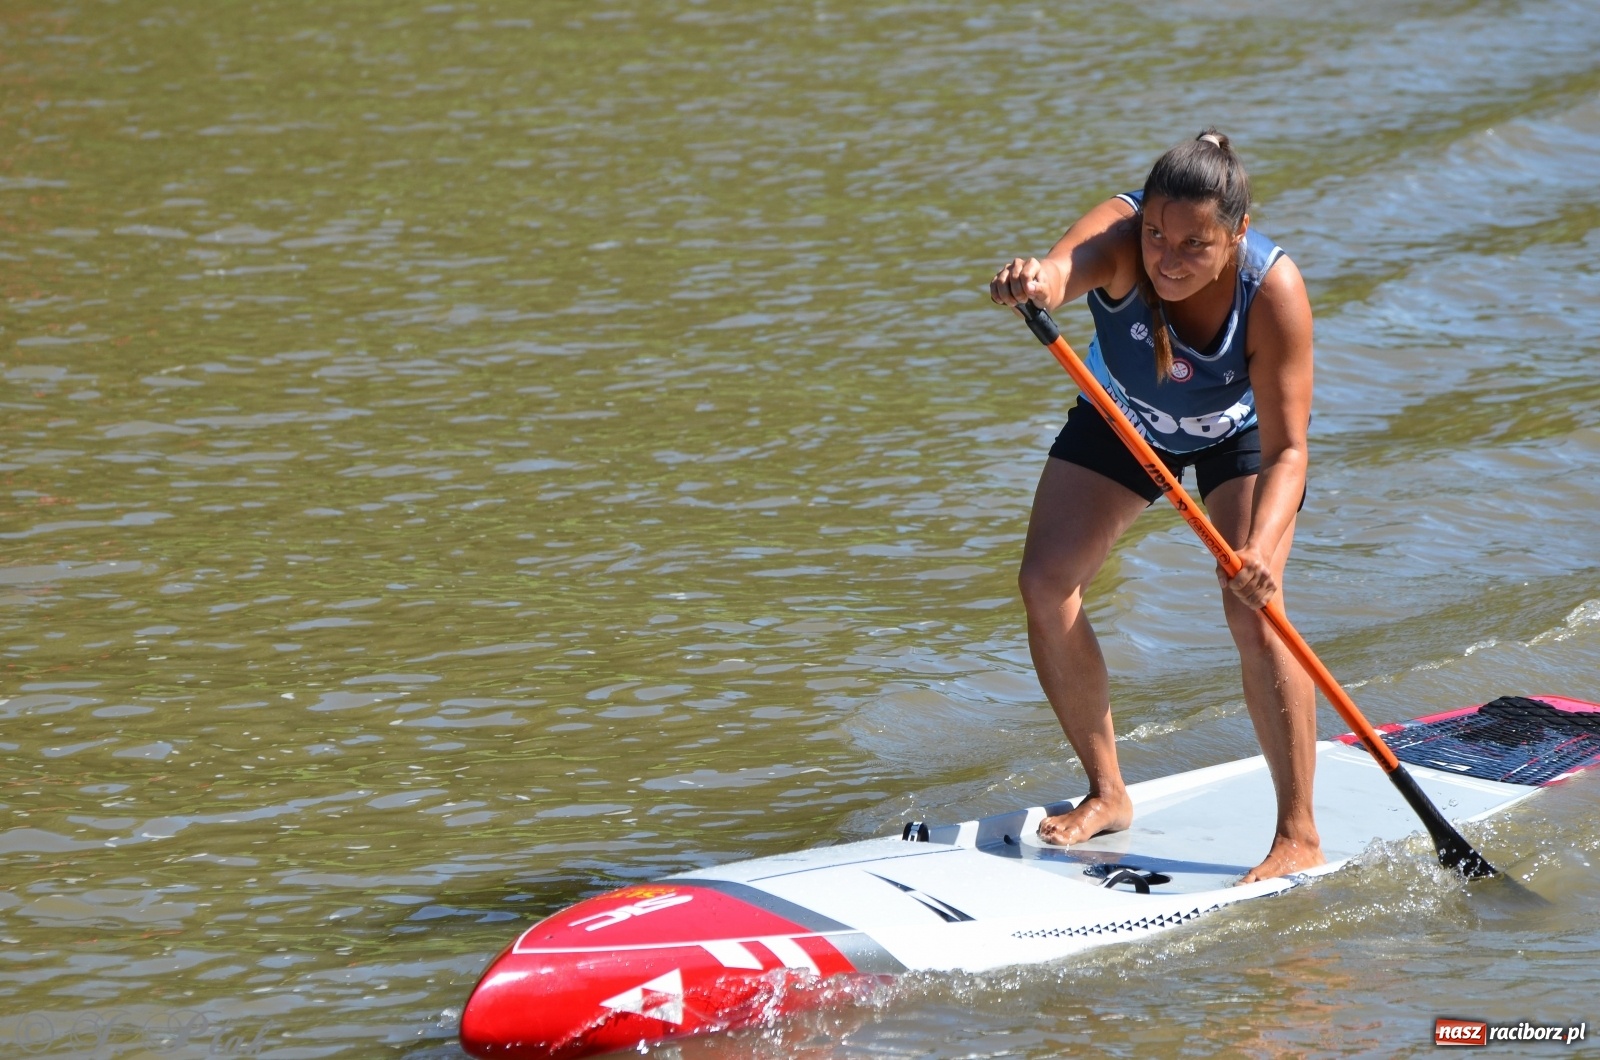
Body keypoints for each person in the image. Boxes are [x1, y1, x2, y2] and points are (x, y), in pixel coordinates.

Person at [988, 129, 1323, 883]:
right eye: (1155, 236)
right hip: (1126, 415)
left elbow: (1288, 451)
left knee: (1254, 612)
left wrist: (1262, 556)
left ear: (1237, 232)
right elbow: (1057, 272)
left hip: (1237, 440)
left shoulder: (1273, 291)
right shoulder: (1119, 238)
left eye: (1193, 245)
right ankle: (1108, 793)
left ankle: (1298, 831)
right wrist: (1030, 281)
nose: (1166, 259)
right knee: (1045, 582)